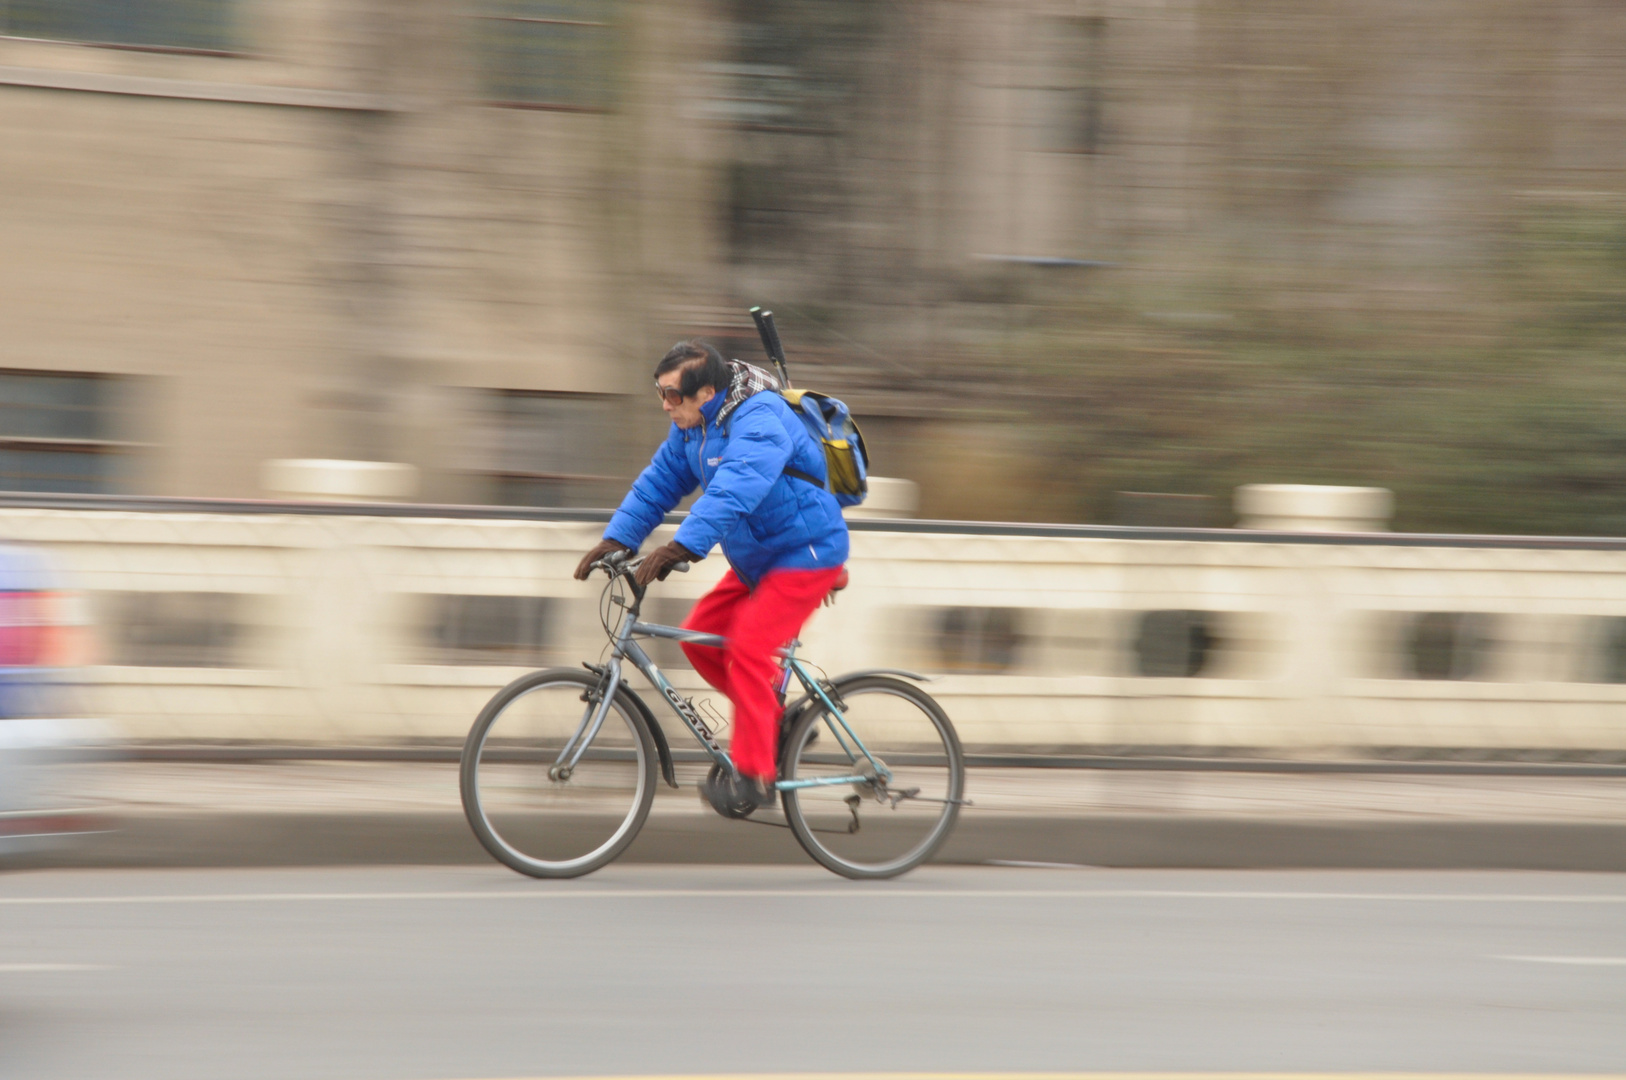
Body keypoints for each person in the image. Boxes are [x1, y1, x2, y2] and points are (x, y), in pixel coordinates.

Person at [574, 340, 849, 811]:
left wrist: (682, 545)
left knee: (747, 648)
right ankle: (770, 721)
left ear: (705, 393)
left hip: (806, 553)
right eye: (659, 394)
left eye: (672, 396)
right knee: (700, 638)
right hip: (761, 559)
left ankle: (757, 775)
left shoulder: (758, 418)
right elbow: (659, 483)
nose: (665, 406)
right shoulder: (693, 428)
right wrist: (618, 539)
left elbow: (736, 485)